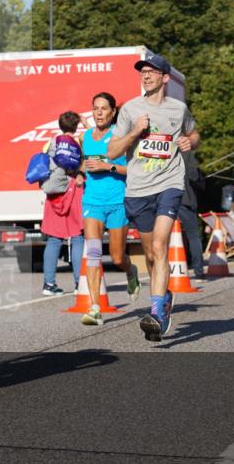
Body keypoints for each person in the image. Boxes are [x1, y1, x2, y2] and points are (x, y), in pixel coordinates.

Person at [107, 53, 200, 341]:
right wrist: (135, 131)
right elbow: (111, 152)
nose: (146, 76)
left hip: (169, 184)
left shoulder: (177, 108)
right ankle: (165, 298)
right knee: (150, 254)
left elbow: (193, 133)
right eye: (142, 72)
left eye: (152, 71)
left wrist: (189, 141)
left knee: (160, 245)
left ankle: (157, 312)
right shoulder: (130, 110)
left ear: (165, 77)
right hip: (138, 189)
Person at [80, 92, 140, 325]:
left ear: (113, 112)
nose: (99, 112)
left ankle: (130, 271)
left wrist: (107, 166)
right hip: (92, 203)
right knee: (93, 253)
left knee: (116, 257)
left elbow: (133, 170)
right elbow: (86, 166)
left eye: (104, 108)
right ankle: (94, 307)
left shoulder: (120, 137)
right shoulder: (86, 136)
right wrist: (82, 170)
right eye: (96, 108)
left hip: (117, 203)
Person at [41, 111, 85, 296]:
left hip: (54, 194)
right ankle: (79, 284)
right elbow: (83, 164)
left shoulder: (50, 143)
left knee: (53, 239)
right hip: (73, 191)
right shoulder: (78, 143)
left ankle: (49, 284)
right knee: (77, 237)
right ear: (75, 127)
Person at [179, 150, 206, 279]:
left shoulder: (161, 153)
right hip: (185, 200)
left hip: (163, 200)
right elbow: (194, 177)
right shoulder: (187, 155)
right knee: (193, 236)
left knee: (163, 238)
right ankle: (198, 271)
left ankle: (162, 270)